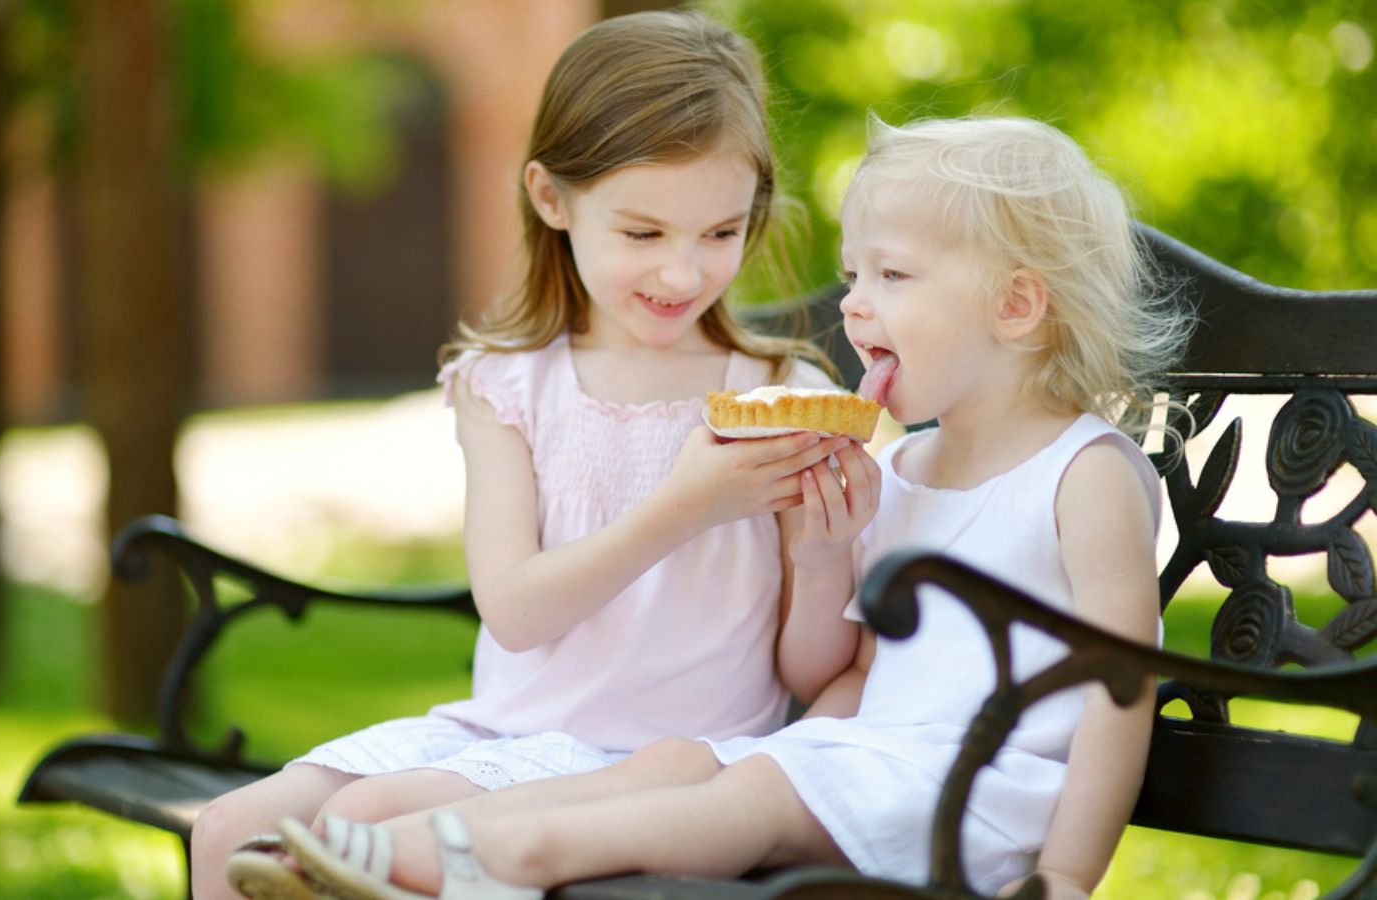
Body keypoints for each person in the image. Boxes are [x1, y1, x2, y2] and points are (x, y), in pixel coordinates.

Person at [264, 114, 1195, 900]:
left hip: (970, 793)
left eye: (892, 277)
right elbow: (847, 675)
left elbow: (1125, 684)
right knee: (675, 766)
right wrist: (828, 558)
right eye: (852, 274)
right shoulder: (904, 465)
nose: (855, 309)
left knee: (739, 803)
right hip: (867, 767)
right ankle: (424, 845)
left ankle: (492, 861)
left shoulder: (1084, 474)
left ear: (1018, 306)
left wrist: (1069, 879)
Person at [193, 10, 871, 899]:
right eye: (643, 234)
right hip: (498, 735)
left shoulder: (776, 386)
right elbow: (515, 610)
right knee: (224, 827)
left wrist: (823, 560)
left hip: (660, 762)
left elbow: (811, 674)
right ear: (553, 199)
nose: (682, 273)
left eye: (718, 233)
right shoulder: (506, 386)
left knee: (361, 827)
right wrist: (688, 502)